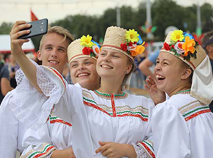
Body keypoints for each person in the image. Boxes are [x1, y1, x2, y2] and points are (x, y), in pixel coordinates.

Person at [10, 26, 165, 157]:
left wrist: (130, 150)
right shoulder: (78, 97)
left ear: (128, 67)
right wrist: (18, 54)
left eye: (115, 55)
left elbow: (164, 139)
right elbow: (48, 85)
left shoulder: (144, 105)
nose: (106, 59)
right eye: (103, 54)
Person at [0, 22, 74, 158]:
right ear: (39, 54)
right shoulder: (14, 100)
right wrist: (17, 53)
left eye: (61, 49)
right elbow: (4, 151)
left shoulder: (73, 96)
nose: (54, 54)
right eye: (49, 48)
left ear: (68, 57)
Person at [20, 37, 100, 158]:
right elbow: (29, 150)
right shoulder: (55, 104)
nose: (81, 67)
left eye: (87, 62)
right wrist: (65, 154)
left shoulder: (113, 104)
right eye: (74, 65)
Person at [148, 30, 213, 157]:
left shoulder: (170, 109)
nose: (157, 67)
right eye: (157, 62)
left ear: (185, 73)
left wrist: (163, 105)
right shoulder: (201, 104)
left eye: (165, 63)